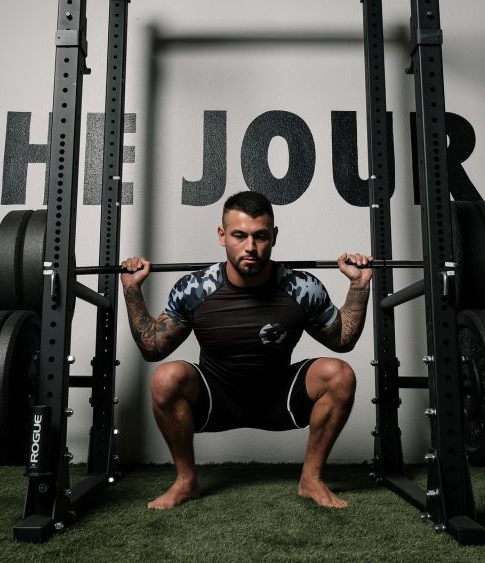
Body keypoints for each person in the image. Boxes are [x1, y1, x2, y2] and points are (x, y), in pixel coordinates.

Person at [119, 190, 373, 510]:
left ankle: (312, 479)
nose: (250, 247)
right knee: (165, 377)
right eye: (239, 235)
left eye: (260, 236)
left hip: (279, 397)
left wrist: (359, 286)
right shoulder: (195, 289)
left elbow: (342, 340)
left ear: (274, 237)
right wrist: (132, 291)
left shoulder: (301, 287)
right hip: (215, 400)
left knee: (339, 375)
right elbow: (153, 348)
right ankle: (186, 482)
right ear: (222, 236)